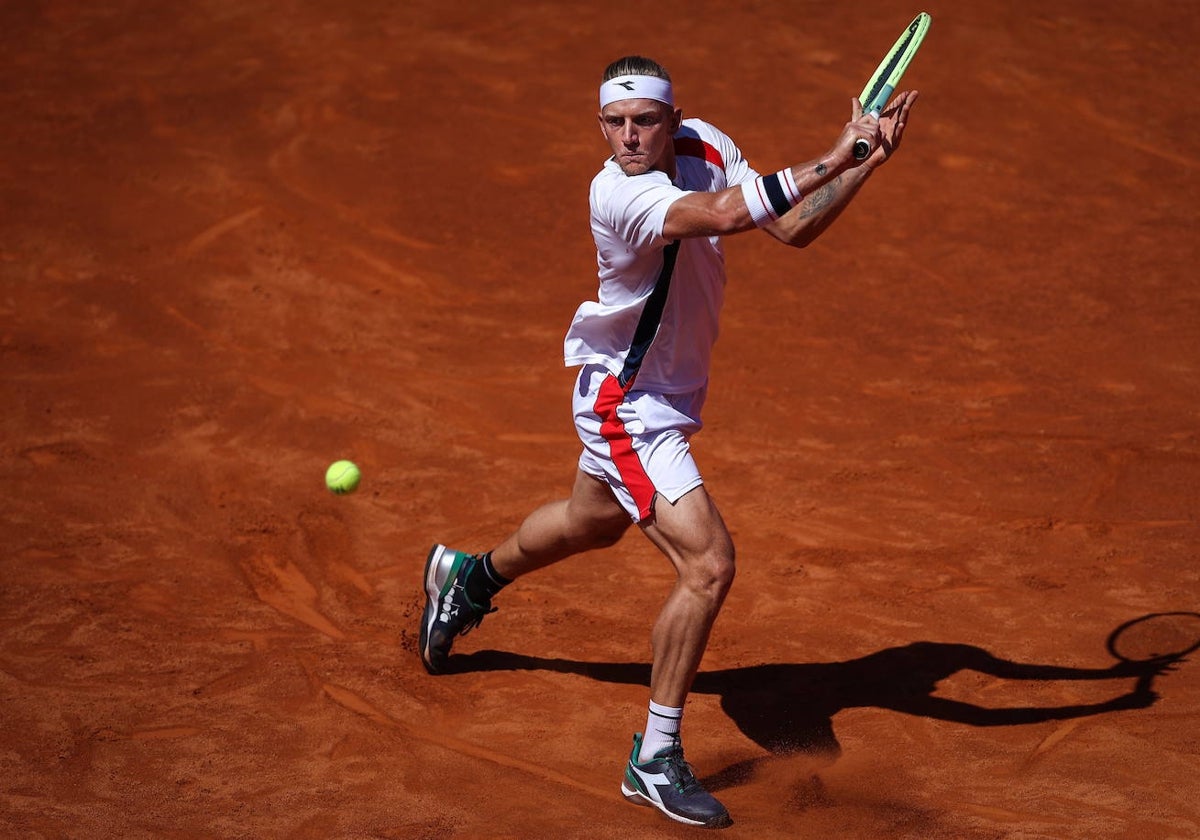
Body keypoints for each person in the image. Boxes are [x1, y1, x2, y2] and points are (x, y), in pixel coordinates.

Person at [418, 55, 918, 829]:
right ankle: (654, 757)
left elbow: (788, 225)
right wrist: (834, 152)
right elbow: (723, 216)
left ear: (672, 120)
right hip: (628, 404)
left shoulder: (708, 145)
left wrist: (865, 164)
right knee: (708, 563)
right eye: (613, 124)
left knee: (591, 522)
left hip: (669, 394)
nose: (628, 137)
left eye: (644, 121)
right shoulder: (617, 192)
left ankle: (467, 578)